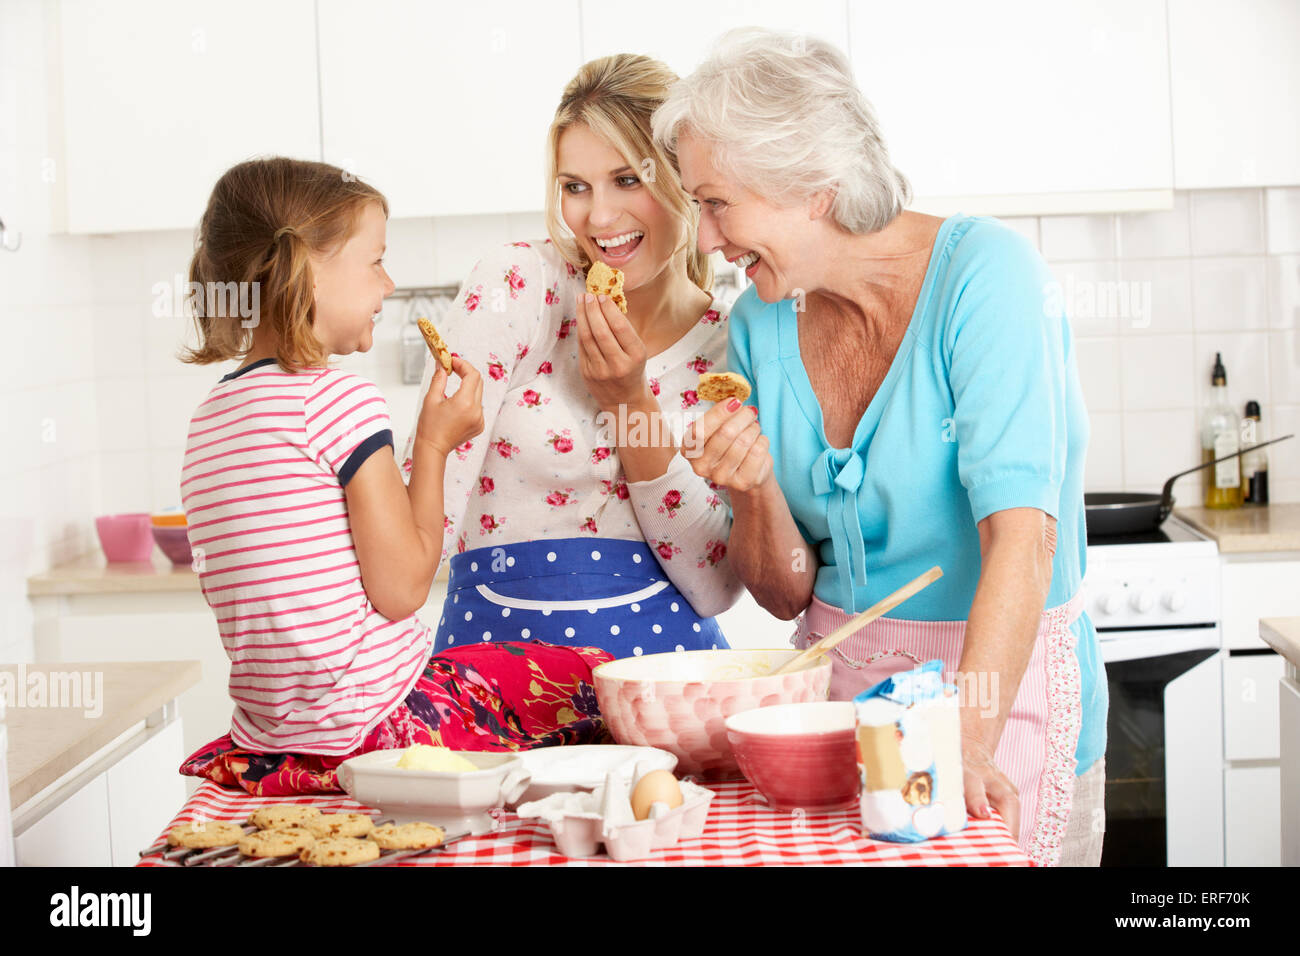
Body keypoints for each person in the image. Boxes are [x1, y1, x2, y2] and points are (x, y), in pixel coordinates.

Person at [655, 28, 1107, 866]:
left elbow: (1024, 536)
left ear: (811, 188)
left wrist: (964, 746)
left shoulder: (988, 277)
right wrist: (753, 491)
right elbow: (787, 595)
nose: (708, 238)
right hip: (839, 709)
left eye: (717, 203)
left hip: (996, 699)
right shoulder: (758, 320)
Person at [175, 157, 611, 796]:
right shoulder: (336, 401)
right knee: (590, 676)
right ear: (304, 267)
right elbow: (403, 587)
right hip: (379, 728)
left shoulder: (209, 418)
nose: (388, 283)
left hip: (271, 742)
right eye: (374, 260)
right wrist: (433, 444)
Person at [400, 54, 744, 658]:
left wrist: (629, 402)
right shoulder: (519, 285)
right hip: (491, 675)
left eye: (629, 179)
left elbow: (715, 584)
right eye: (575, 187)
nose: (599, 217)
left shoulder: (730, 345)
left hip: (664, 682)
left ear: (684, 179)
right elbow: (418, 526)